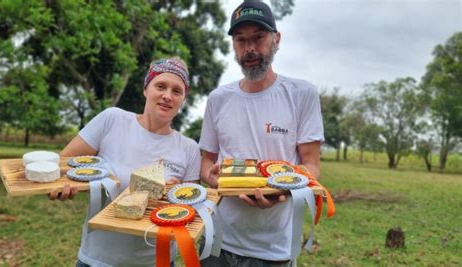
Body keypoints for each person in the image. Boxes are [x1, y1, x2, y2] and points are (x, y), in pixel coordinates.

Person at [199, 1, 324, 266]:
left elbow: (311, 166)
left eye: (258, 37)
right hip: (217, 242)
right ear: (234, 45)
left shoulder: (302, 94)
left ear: (276, 39)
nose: (250, 49)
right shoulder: (218, 99)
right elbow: (206, 162)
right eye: (241, 40)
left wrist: (282, 191)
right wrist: (210, 176)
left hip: (273, 250)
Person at [49, 57, 201, 266]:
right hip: (98, 260)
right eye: (160, 86)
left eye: (177, 91)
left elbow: (190, 210)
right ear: (146, 89)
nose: (167, 96)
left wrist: (169, 196)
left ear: (183, 98)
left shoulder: (190, 148)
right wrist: (64, 186)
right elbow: (65, 164)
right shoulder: (113, 120)